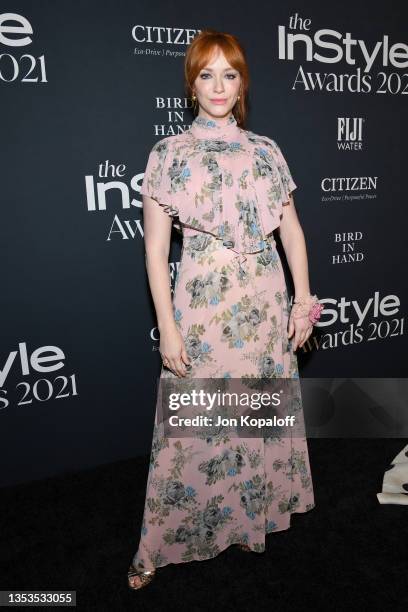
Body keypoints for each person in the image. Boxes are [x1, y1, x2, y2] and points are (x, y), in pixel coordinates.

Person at [128, 29, 323, 590]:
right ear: (192, 83)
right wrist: (167, 326)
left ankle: (250, 520)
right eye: (207, 74)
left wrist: (302, 302)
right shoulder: (169, 154)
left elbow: (293, 234)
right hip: (204, 311)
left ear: (242, 86)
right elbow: (155, 250)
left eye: (229, 75)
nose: (218, 86)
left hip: (263, 307)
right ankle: (158, 546)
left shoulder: (266, 151)